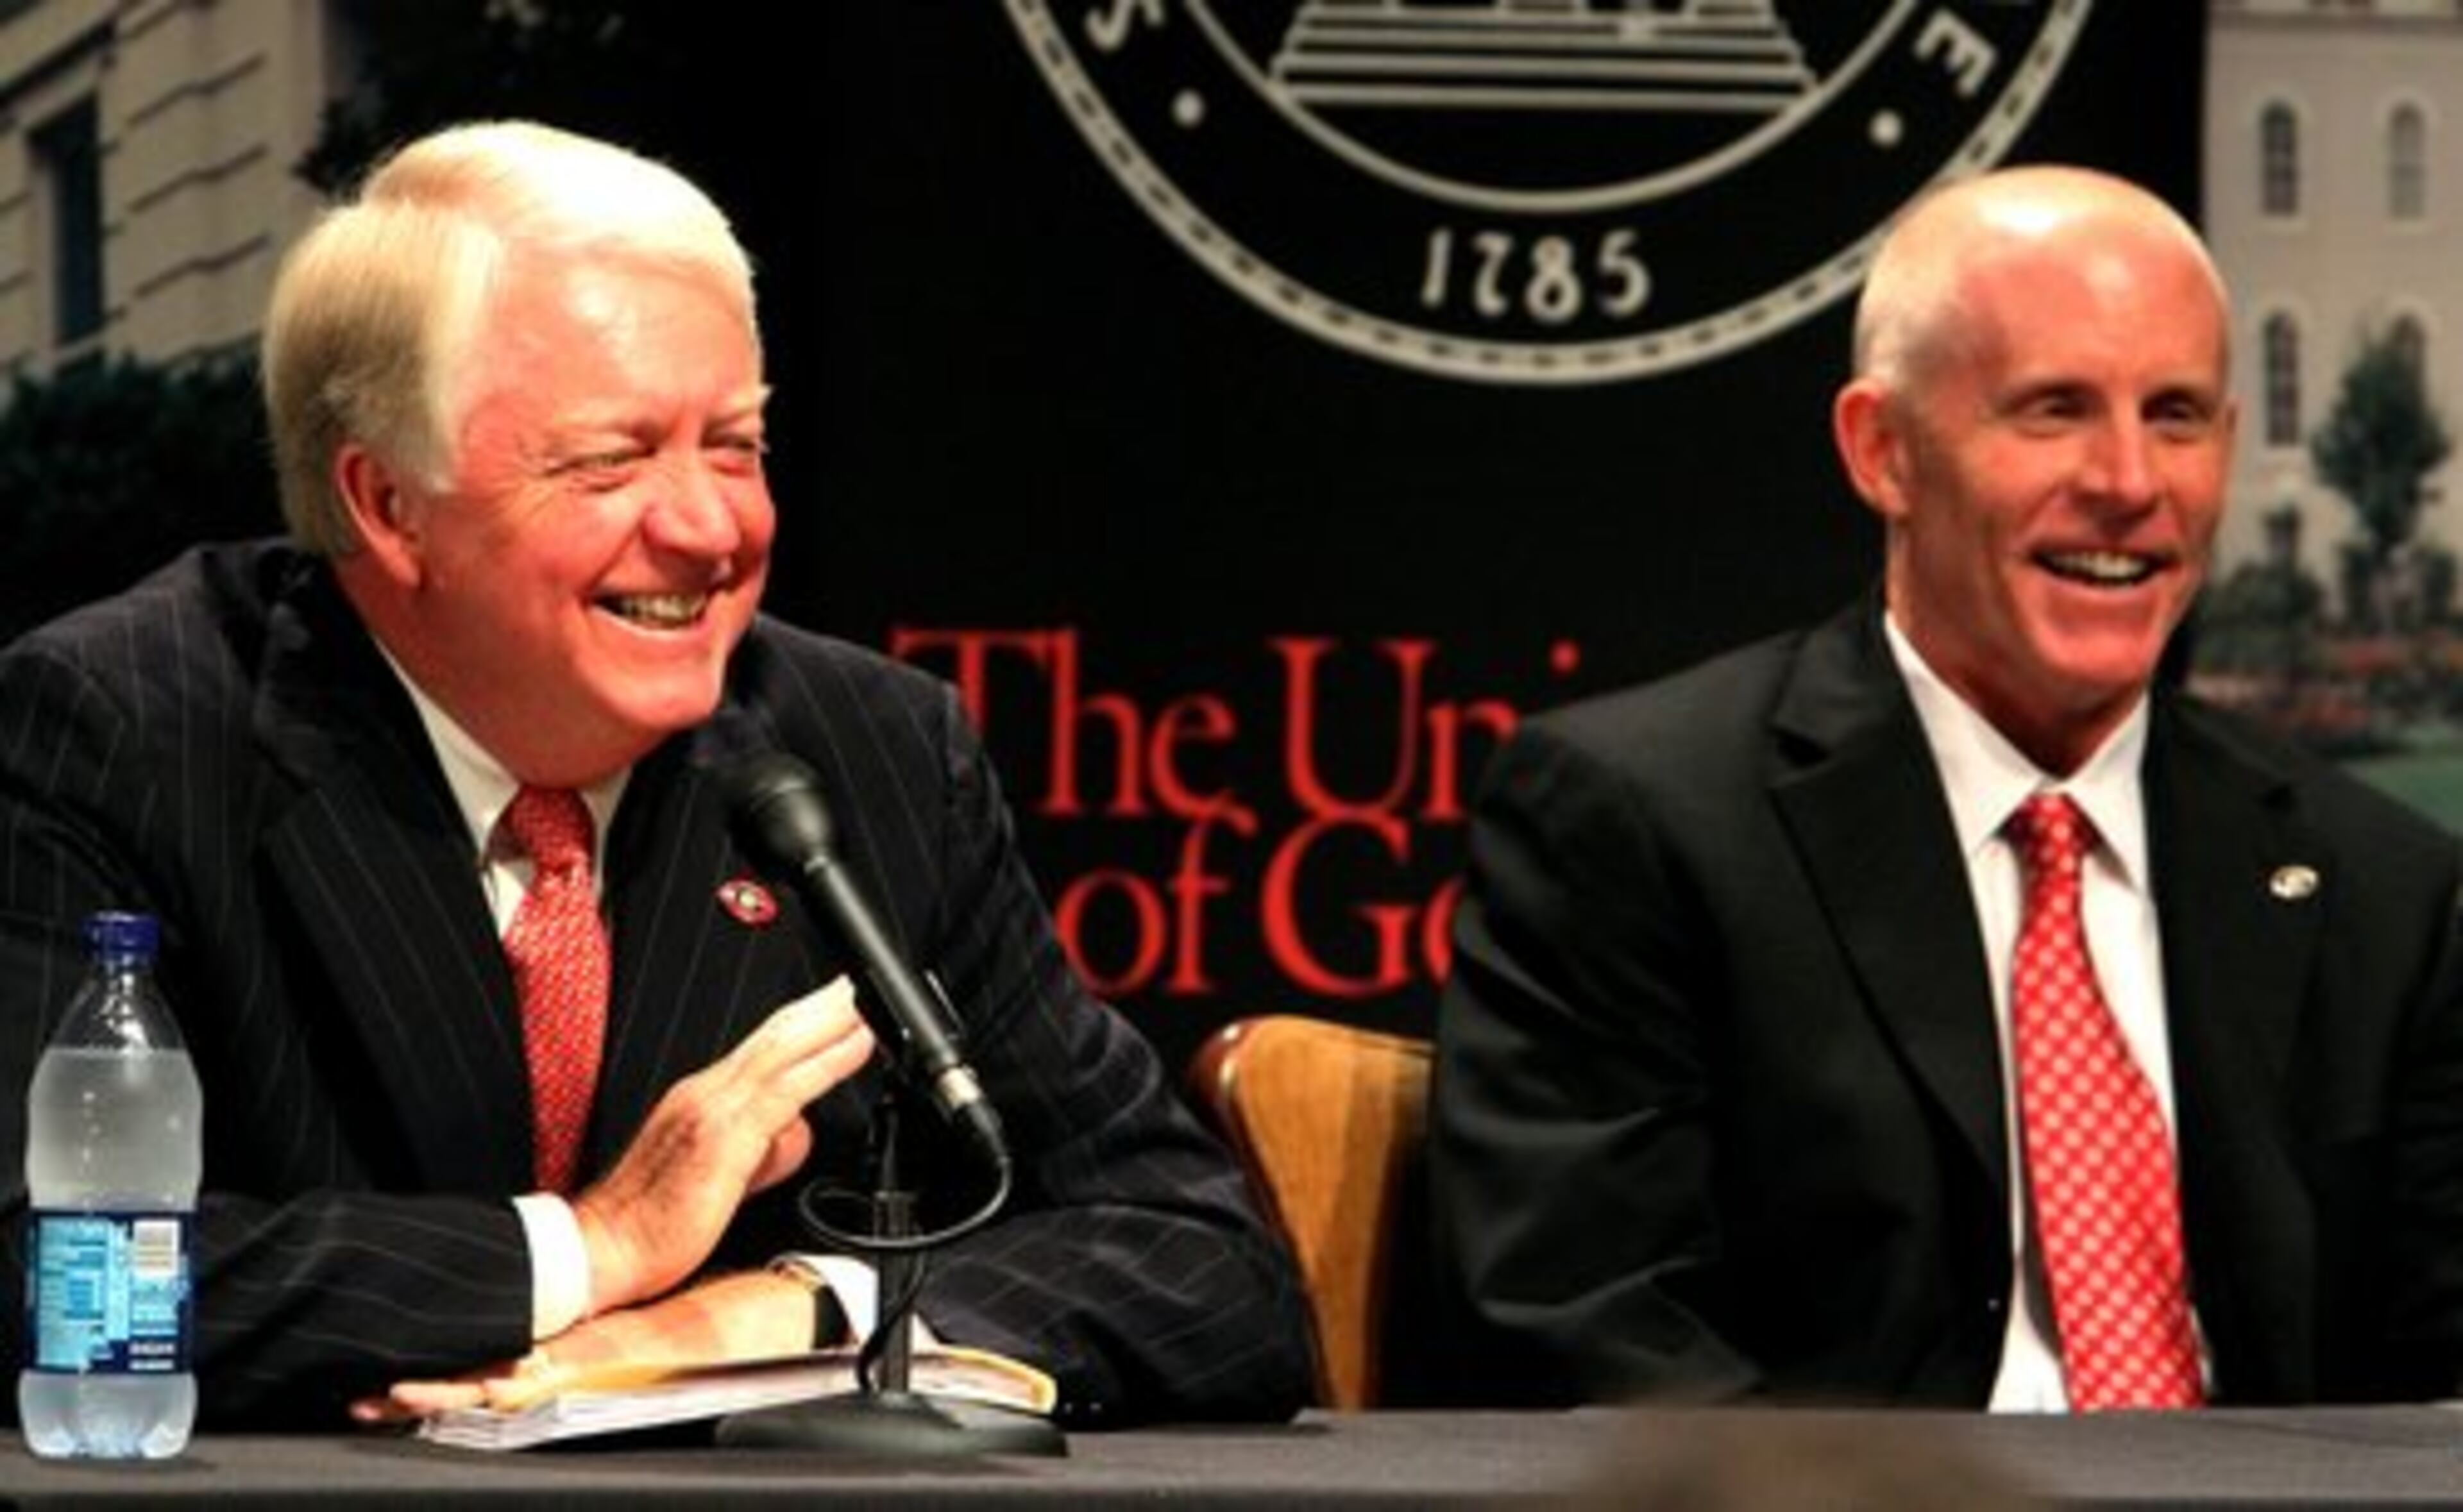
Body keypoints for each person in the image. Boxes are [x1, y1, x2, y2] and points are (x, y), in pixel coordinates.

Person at [0, 119, 1310, 1431]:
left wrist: (793, 1309)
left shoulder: (871, 750)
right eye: (610, 462)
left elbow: (1204, 1268)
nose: (709, 528)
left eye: (734, 446)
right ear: (391, 505)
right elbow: (34, 1270)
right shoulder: (121, 731)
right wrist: (595, 1250)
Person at [1432, 164, 2463, 1409]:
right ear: (1884, 452)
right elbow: (1591, 1331)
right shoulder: (1639, 820)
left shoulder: (2384, 888)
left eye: (2178, 415)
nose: (2131, 481)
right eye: (2054, 410)